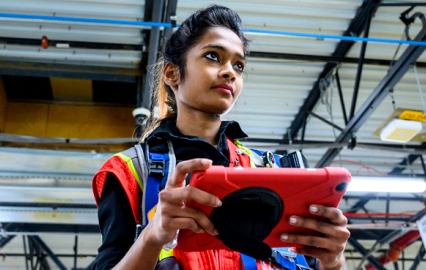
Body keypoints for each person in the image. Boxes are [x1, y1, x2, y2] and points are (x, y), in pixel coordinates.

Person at [91, 5, 350, 270]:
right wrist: (152, 234)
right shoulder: (128, 172)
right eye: (213, 56)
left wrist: (333, 262)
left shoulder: (274, 171)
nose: (230, 72)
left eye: (238, 65)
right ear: (172, 73)